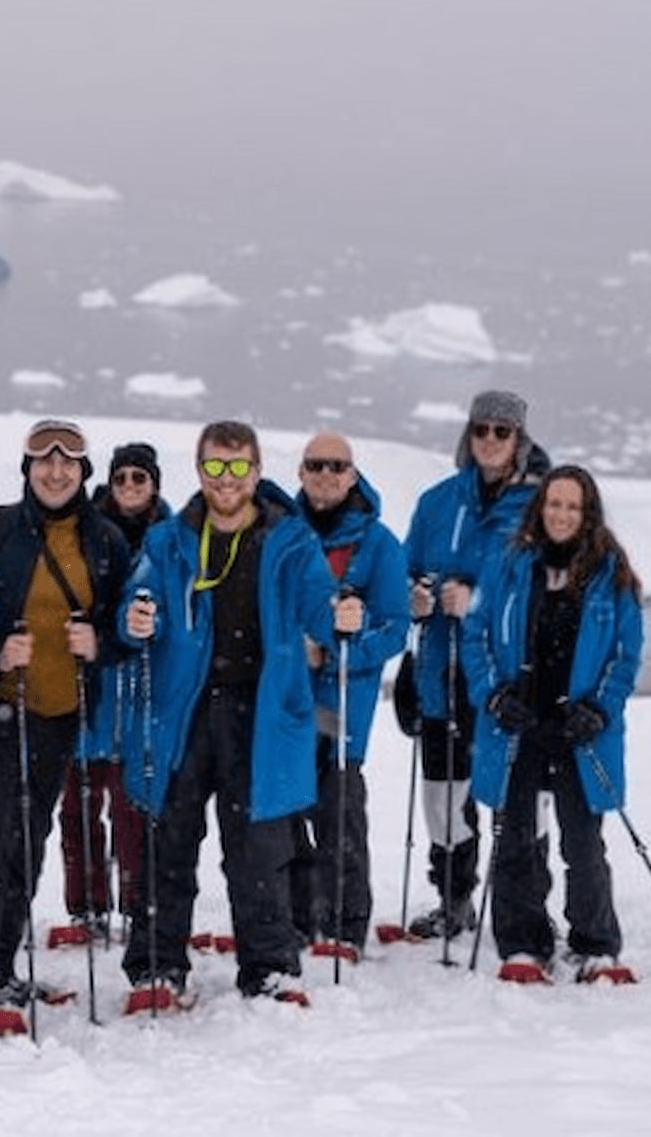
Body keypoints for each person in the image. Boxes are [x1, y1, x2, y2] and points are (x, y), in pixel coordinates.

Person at [119, 420, 338, 1009]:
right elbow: (136, 602)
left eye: (238, 467)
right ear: (199, 470)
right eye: (215, 467)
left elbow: (321, 605)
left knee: (258, 850)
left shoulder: (290, 541)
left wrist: (340, 618)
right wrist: (136, 619)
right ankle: (157, 969)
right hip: (184, 711)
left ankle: (268, 967)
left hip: (260, 712)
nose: (226, 479)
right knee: (168, 844)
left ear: (257, 471)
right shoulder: (169, 541)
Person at [0, 418, 131, 1027]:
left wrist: (99, 642)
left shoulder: (104, 541)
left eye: (69, 463)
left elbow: (124, 628)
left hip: (57, 716)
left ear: (84, 472)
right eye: (43, 462)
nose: (56, 473)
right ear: (27, 468)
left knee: (28, 843)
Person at [466, 465, 642, 984]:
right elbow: (475, 633)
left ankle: (595, 944)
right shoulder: (510, 563)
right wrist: (493, 695)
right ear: (540, 508)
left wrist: (601, 707)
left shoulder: (613, 573)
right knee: (515, 838)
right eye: (554, 504)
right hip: (517, 724)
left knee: (583, 844)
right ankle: (523, 943)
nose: (562, 514)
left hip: (580, 729)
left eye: (573, 506)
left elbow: (626, 655)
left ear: (588, 514)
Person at [397, 391, 550, 940]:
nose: (489, 440)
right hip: (441, 667)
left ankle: (524, 906)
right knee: (445, 796)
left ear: (519, 439)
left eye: (501, 431)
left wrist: (479, 599)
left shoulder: (542, 506)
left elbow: (546, 589)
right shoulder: (438, 502)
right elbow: (406, 570)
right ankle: (454, 897)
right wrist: (412, 597)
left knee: (517, 794)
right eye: (481, 429)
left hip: (508, 677)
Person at [288, 432, 408, 960]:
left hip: (342, 707)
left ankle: (343, 923)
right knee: (287, 815)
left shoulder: (379, 544)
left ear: (353, 475)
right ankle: (295, 917)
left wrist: (339, 652)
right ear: (301, 472)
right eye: (316, 465)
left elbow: (395, 628)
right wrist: (299, 649)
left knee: (339, 812)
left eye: (336, 466)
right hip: (288, 702)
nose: (325, 475)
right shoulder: (285, 534)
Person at [52, 443, 168, 947]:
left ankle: (138, 902)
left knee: (132, 808)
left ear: (154, 484)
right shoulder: (89, 533)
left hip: (142, 692)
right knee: (78, 805)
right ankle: (87, 907)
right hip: (91, 689)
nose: (128, 487)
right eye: (120, 478)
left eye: (138, 478)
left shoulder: (169, 539)